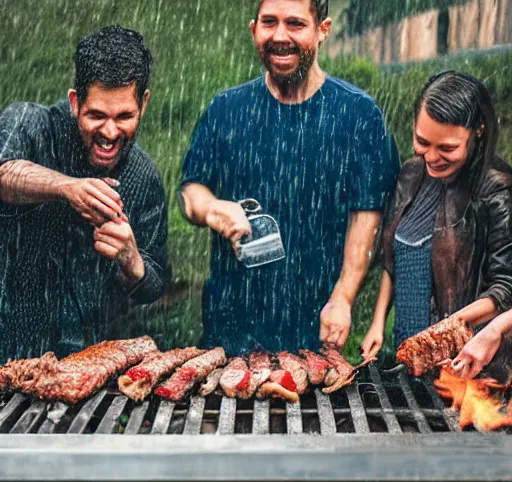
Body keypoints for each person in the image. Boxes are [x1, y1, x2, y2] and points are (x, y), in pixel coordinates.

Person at [180, 0, 399, 356]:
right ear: (254, 29)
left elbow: (368, 215)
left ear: (322, 30)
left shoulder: (358, 115)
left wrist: (343, 297)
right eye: (269, 22)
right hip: (229, 331)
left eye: (295, 24)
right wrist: (211, 209)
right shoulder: (226, 109)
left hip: (316, 332)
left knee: (317, 412)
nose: (280, 36)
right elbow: (191, 190)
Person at [0, 25, 168, 362]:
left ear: (144, 104)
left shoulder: (144, 176)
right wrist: (67, 188)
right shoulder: (30, 124)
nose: (109, 132)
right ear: (75, 101)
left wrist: (131, 260)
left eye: (124, 116)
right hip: (8, 358)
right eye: (96, 115)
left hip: (87, 372)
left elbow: (155, 284)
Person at [361, 71, 512, 364]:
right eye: (422, 141)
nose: (430, 157)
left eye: (447, 148)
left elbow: (505, 288)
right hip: (412, 357)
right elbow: (392, 260)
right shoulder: (411, 173)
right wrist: (378, 322)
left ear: (478, 131)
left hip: (469, 363)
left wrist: (443, 335)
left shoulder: (498, 189)